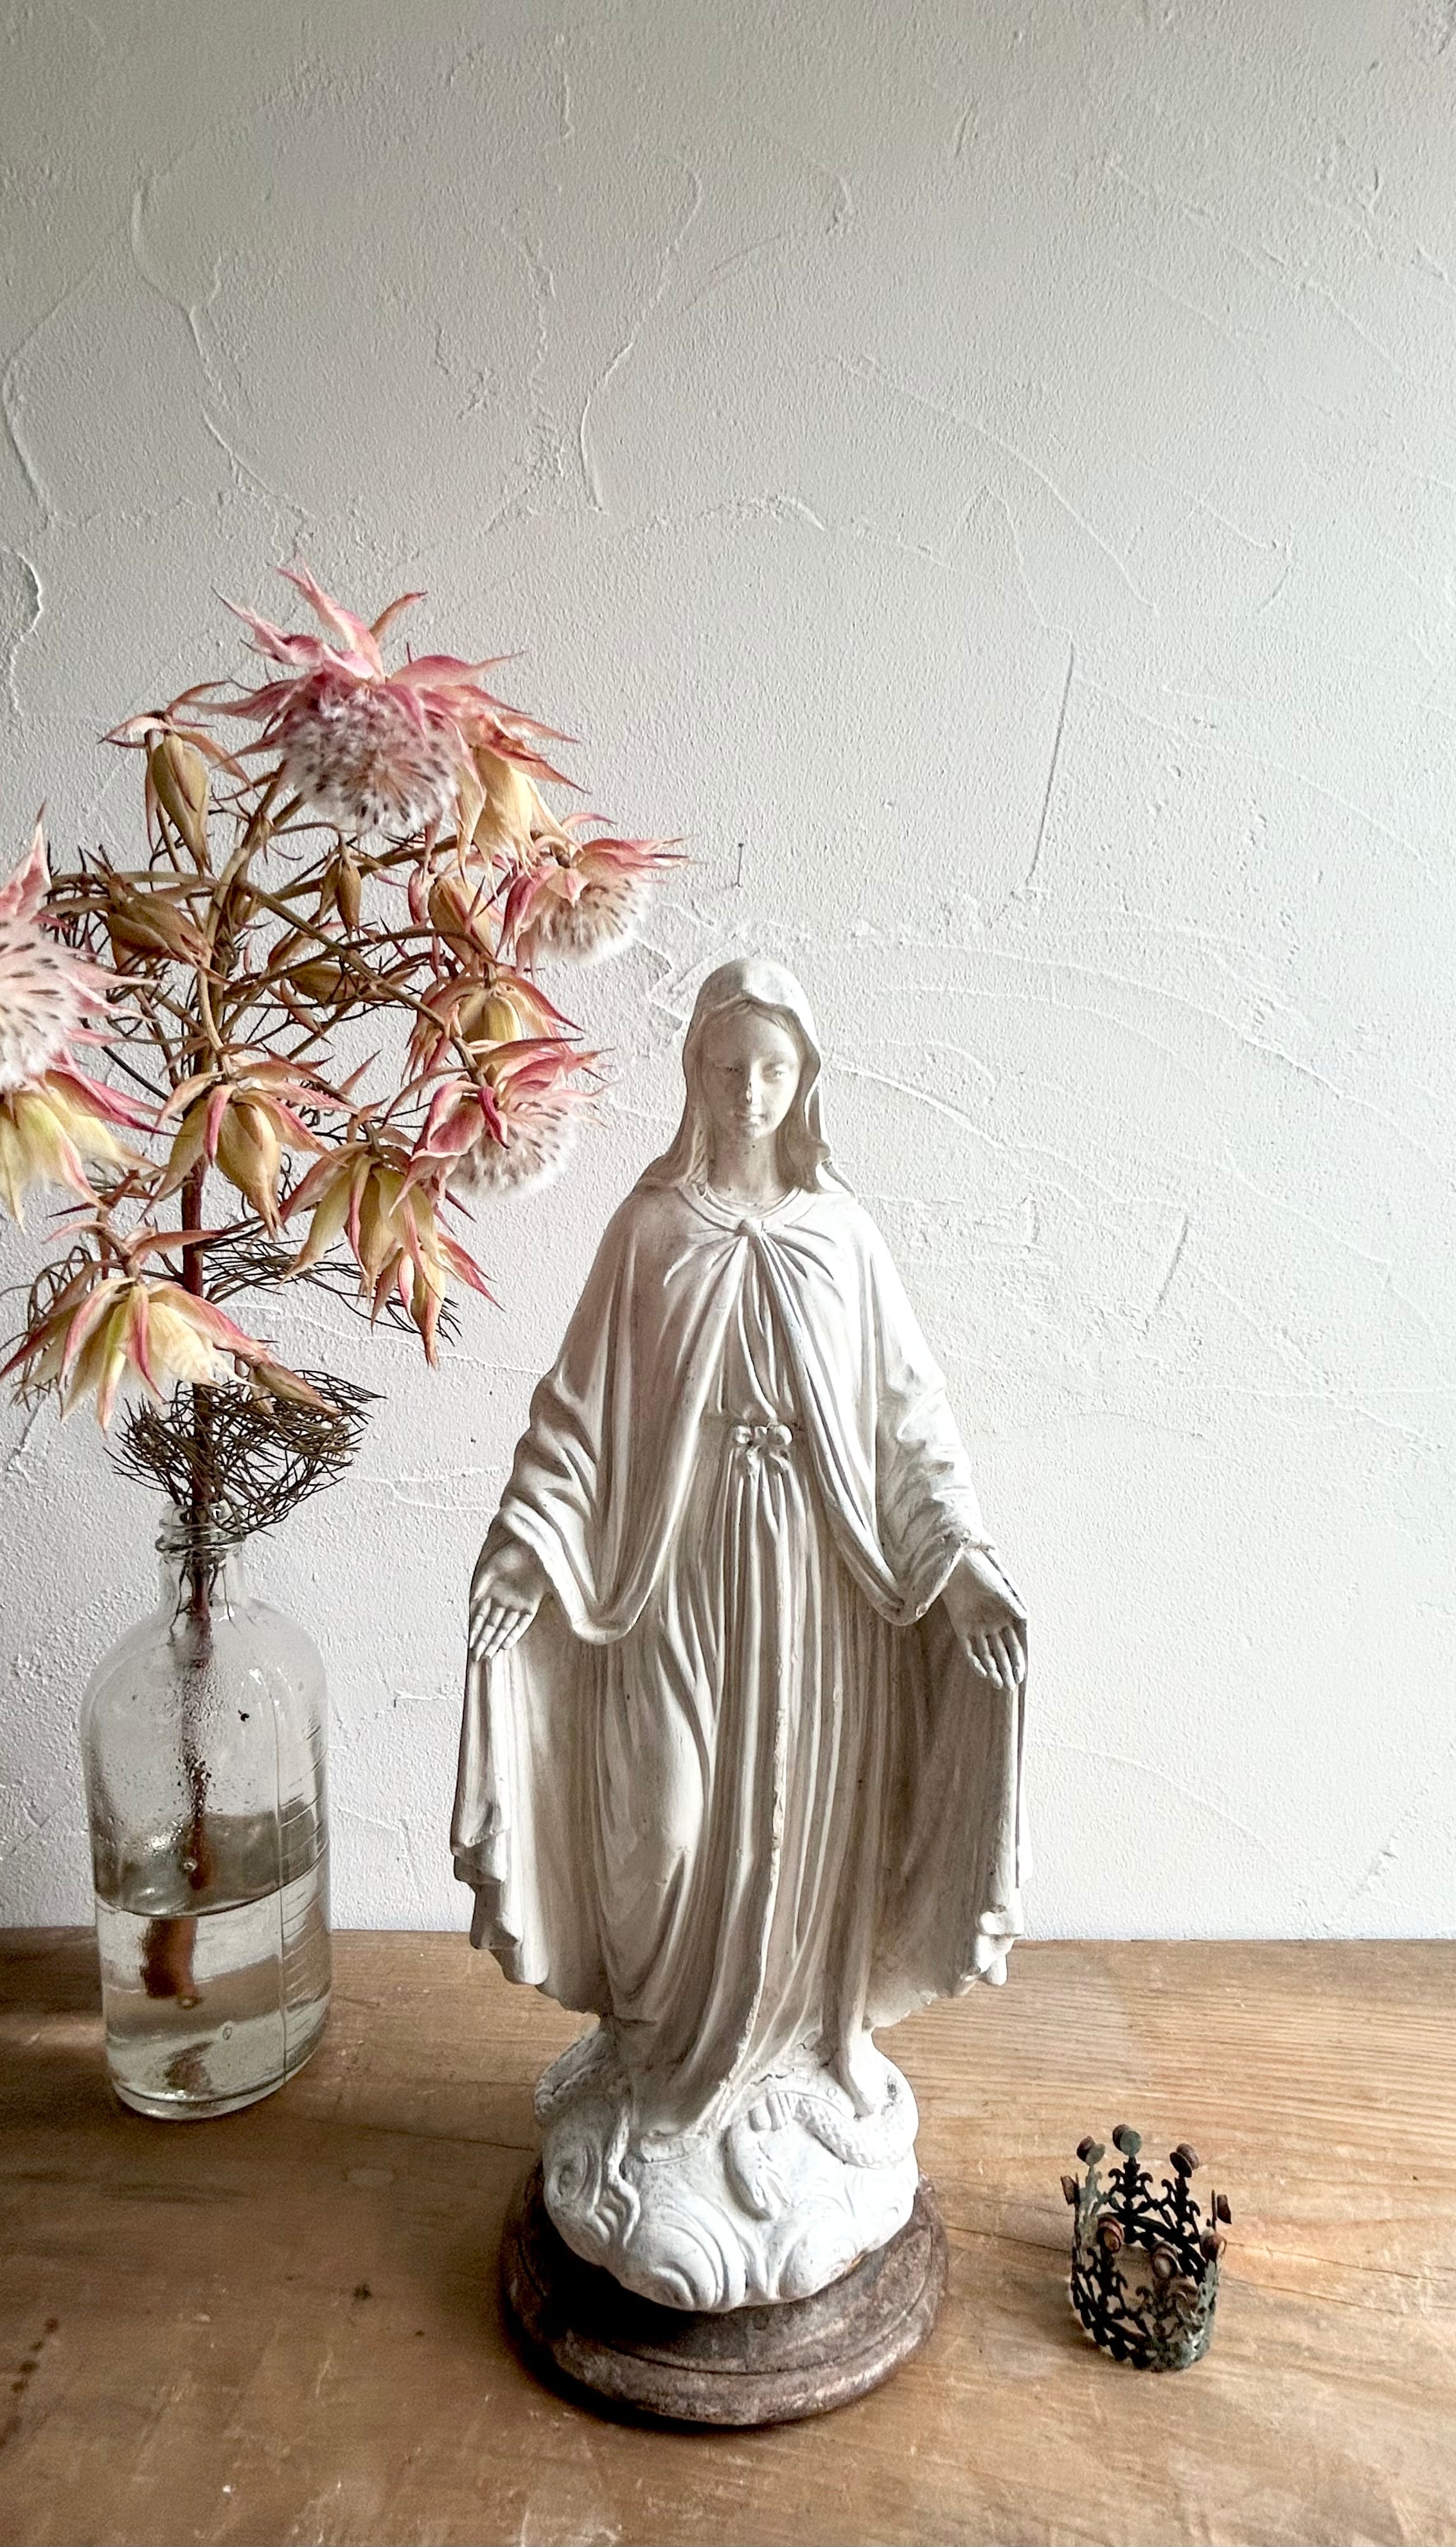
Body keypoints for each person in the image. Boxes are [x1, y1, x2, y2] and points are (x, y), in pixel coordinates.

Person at [453, 956, 1029, 2310]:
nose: (753, 1089)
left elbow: (908, 1426)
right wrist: (529, 1543)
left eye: (775, 1067)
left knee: (797, 1827)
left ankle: (794, 2061)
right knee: (661, 1826)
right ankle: (661, 2059)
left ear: (804, 1078)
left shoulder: (845, 1238)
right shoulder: (650, 1229)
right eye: (730, 1066)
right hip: (673, 1575)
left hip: (819, 1594)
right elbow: (578, 1413)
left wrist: (961, 1568)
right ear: (696, 1075)